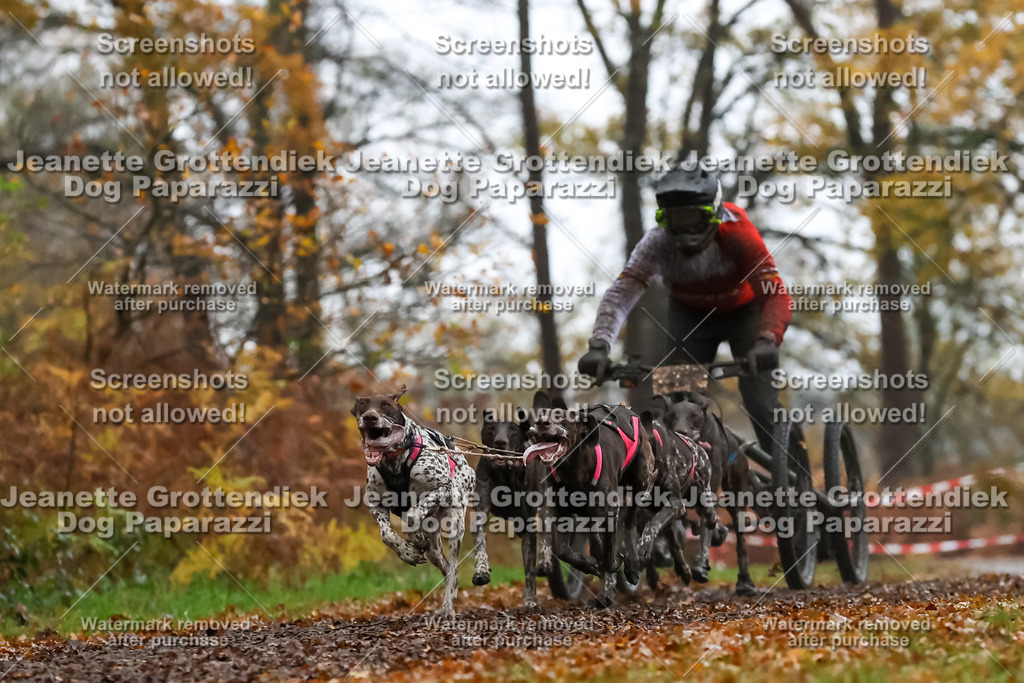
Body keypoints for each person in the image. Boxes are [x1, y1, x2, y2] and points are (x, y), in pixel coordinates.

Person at [577, 164, 794, 453]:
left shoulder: (738, 232)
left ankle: (792, 479)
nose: (685, 230)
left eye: (695, 218)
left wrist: (768, 339)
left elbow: (775, 292)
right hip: (691, 318)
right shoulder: (655, 243)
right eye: (675, 220)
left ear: (714, 213)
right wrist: (599, 346)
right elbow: (621, 295)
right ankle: (687, 477)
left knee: (760, 402)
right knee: (677, 404)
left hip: (746, 314)